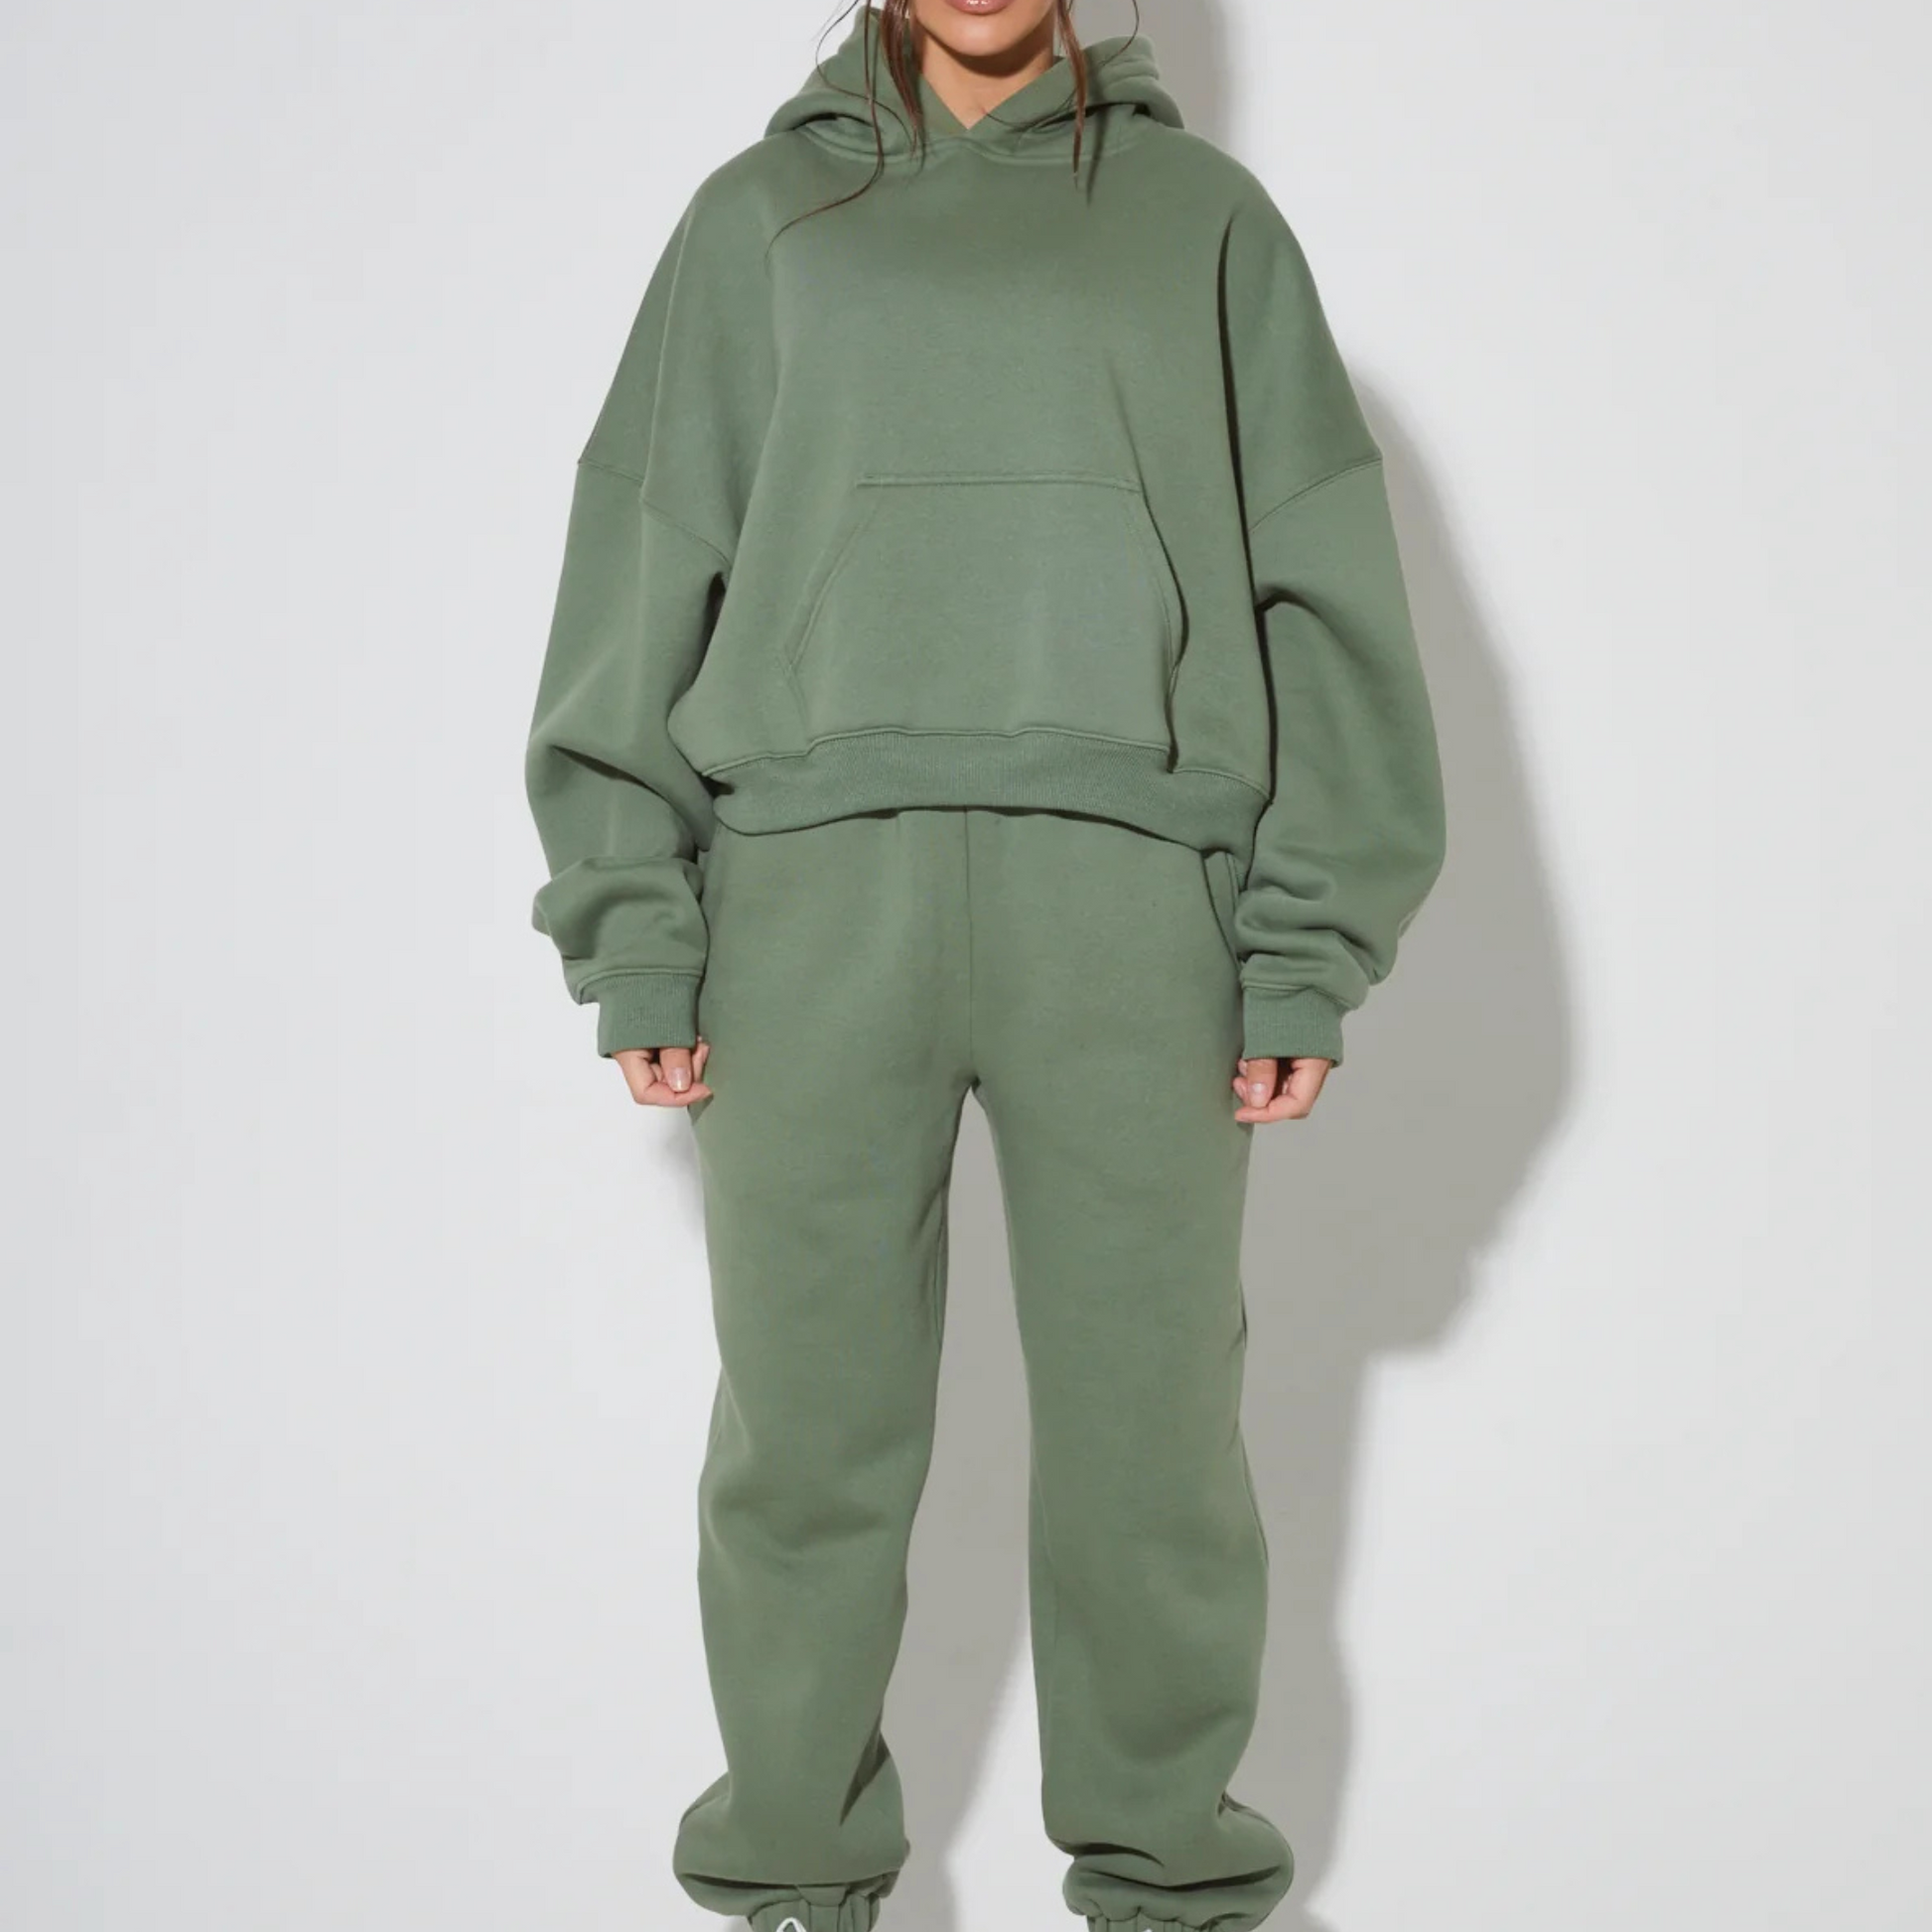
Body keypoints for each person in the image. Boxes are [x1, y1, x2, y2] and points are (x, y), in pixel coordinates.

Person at [522, 4, 1446, 1931]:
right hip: (807, 908)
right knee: (806, 1442)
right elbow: (640, 559)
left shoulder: (1202, 222)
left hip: (1130, 910)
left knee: (1149, 1446)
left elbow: (1324, 586)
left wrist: (1304, 941)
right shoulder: (757, 221)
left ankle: (1168, 1887)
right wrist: (634, 918)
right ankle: (792, 1879)